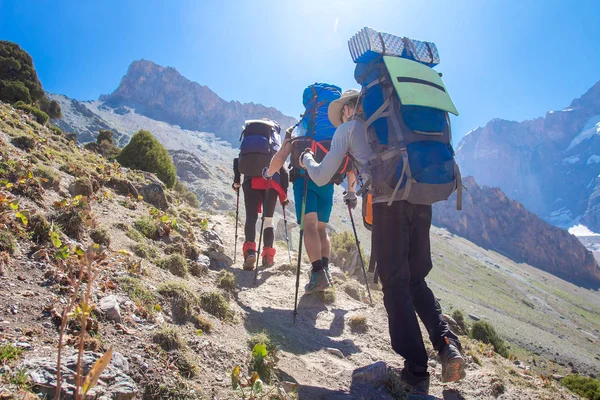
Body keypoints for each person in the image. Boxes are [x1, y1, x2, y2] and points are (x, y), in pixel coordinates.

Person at [299, 89, 466, 394]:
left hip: (389, 204)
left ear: (351, 108)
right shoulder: (396, 125)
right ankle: (447, 346)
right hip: (420, 197)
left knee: (396, 284)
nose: (341, 118)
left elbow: (322, 176)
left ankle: (416, 369)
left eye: (342, 113)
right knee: (417, 281)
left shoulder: (349, 129)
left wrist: (306, 158)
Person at [262, 126, 348, 293]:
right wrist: (351, 191)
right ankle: (325, 271)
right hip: (327, 183)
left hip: (304, 181)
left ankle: (317, 274)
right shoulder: (331, 129)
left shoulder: (295, 130)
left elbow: (280, 157)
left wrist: (268, 173)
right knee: (321, 228)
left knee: (309, 225)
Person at [233, 122, 289, 271]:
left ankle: (250, 252)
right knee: (268, 220)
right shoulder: (273, 146)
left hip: (250, 179)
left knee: (251, 217)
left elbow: (237, 161)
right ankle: (268, 256)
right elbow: (283, 170)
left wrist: (236, 181)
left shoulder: (248, 141)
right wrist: (284, 195)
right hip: (271, 183)